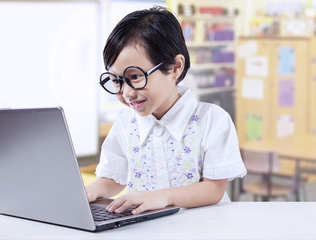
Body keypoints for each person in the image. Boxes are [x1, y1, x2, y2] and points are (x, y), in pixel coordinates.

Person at [86, 6, 247, 215]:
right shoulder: (125, 124)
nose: (126, 93)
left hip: (203, 229)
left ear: (175, 67)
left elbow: (214, 189)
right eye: (117, 80)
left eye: (135, 77)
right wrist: (89, 192)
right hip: (146, 230)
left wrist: (162, 196)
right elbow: (113, 179)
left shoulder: (212, 120)